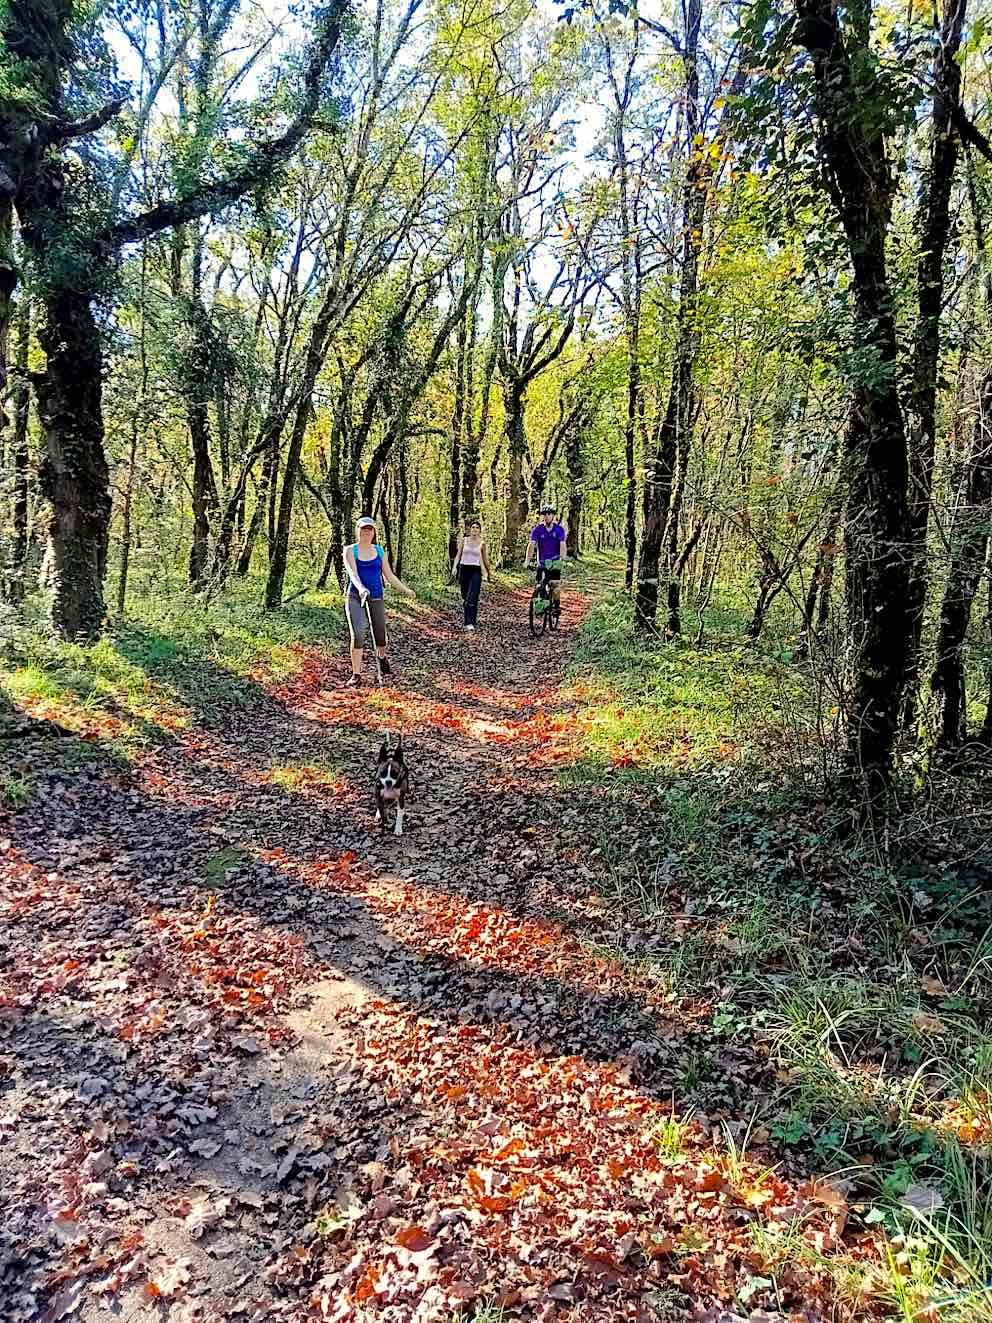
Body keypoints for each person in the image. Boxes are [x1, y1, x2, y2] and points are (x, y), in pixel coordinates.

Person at [343, 516, 415, 688]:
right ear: (358, 531)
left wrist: (405, 590)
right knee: (358, 633)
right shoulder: (350, 550)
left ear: (374, 532)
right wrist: (361, 589)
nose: (366, 532)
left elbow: (389, 576)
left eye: (369, 529)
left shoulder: (379, 551)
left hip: (376, 596)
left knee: (380, 636)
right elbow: (353, 573)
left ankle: (382, 657)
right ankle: (356, 674)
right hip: (355, 596)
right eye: (363, 529)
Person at [451, 516, 492, 631]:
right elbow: (458, 555)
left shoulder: (482, 543)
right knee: (465, 597)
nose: (474, 529)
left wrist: (489, 573)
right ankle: (470, 618)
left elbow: (485, 560)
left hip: (475, 571)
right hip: (464, 569)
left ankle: (469, 622)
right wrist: (454, 568)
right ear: (470, 529)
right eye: (473, 527)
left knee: (472, 597)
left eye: (477, 528)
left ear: (480, 531)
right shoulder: (464, 540)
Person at [524, 504, 567, 605]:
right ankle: (537, 604)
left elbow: (562, 545)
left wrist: (562, 559)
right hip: (542, 562)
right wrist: (527, 561)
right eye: (545, 514)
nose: (546, 516)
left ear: (553, 516)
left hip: (555, 562)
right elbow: (531, 545)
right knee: (539, 584)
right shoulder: (538, 530)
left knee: (555, 585)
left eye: (549, 514)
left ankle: (556, 607)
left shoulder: (559, 530)